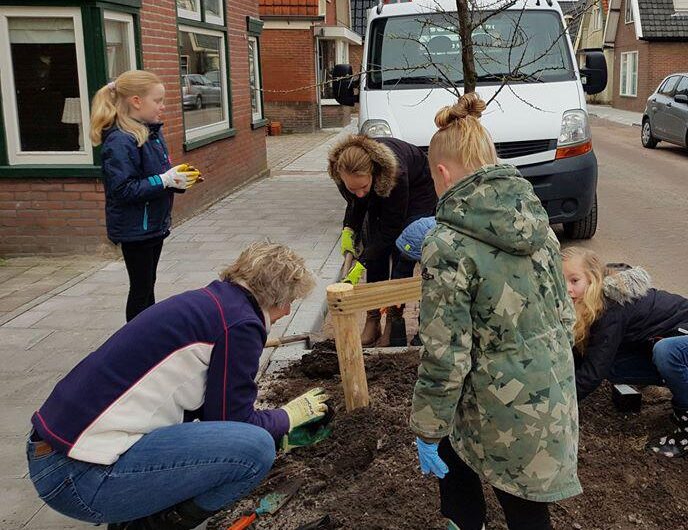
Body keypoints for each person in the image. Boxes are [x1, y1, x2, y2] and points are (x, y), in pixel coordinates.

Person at [26, 242, 332, 530]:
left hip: (53, 453)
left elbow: (209, 412)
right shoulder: (241, 324)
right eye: (289, 301)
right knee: (256, 451)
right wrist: (286, 418)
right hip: (78, 479)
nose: (289, 312)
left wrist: (281, 433)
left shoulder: (212, 303)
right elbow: (231, 423)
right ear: (274, 297)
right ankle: (147, 525)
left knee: (251, 441)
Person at [411, 93, 580, 530]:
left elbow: (444, 352)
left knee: (452, 455)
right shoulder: (537, 224)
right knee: (525, 501)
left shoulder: (447, 245)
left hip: (493, 399)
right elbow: (566, 315)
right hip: (551, 389)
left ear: (443, 173)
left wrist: (427, 426)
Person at [561, 247, 688, 458]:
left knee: (666, 351)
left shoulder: (610, 308)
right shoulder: (591, 305)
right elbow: (588, 355)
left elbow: (593, 372)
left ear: (593, 279)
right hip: (687, 347)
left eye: (574, 281)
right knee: (615, 366)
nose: (567, 289)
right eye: (562, 282)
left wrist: (559, 405)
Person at [90, 70, 201, 322]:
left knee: (148, 284)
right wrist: (164, 180)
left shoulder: (152, 133)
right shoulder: (120, 140)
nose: (162, 107)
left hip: (153, 224)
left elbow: (157, 176)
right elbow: (123, 189)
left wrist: (178, 181)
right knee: (141, 290)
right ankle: (136, 344)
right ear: (136, 101)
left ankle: (149, 332)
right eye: (158, 101)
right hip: (135, 229)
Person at [328, 134, 437, 346]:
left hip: (417, 192)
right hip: (381, 188)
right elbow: (357, 203)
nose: (358, 193)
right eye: (353, 188)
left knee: (400, 248)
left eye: (363, 187)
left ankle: (394, 321)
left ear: (373, 172)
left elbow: (390, 228)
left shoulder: (395, 173)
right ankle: (373, 319)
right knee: (372, 246)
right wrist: (349, 229)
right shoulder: (344, 174)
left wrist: (362, 262)